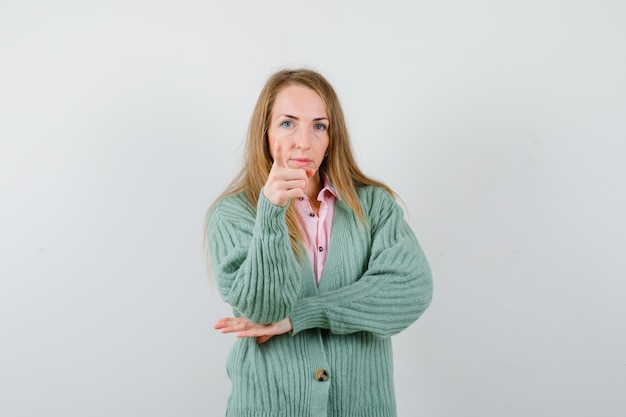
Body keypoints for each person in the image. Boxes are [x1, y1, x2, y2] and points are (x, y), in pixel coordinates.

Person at [206, 68, 433, 417]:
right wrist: (271, 213)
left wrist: (304, 314)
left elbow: (409, 290)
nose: (303, 141)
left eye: (318, 125)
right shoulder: (233, 213)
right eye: (287, 123)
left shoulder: (373, 206)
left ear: (331, 137)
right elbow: (263, 311)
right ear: (264, 132)